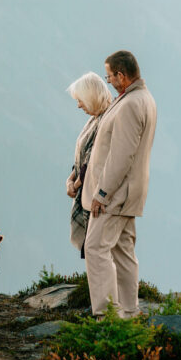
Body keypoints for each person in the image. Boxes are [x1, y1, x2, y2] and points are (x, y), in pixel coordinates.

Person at [82, 50, 157, 318]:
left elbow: (121, 155)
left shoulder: (130, 104)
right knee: (123, 251)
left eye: (110, 76)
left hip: (116, 194)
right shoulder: (142, 99)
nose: (109, 81)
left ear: (122, 75)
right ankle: (128, 310)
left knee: (95, 247)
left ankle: (106, 315)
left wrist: (102, 193)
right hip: (131, 193)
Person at [66, 72, 111, 257]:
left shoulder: (104, 121)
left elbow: (92, 161)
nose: (78, 105)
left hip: (94, 195)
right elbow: (81, 158)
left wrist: (74, 186)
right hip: (84, 189)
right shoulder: (94, 119)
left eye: (81, 100)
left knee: (96, 250)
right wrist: (70, 179)